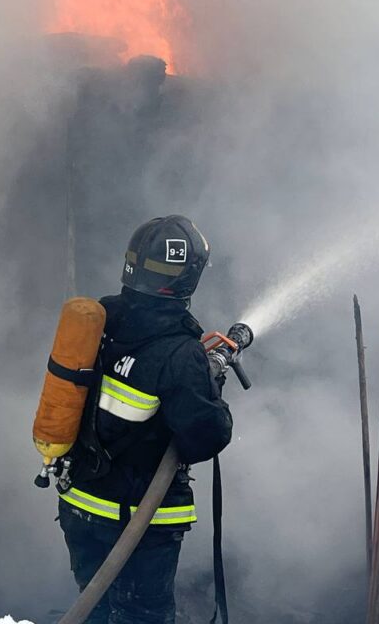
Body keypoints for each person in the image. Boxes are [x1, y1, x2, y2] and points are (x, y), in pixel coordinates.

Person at [58, 215, 233, 624]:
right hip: (137, 521)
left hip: (78, 505)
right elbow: (205, 437)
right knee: (142, 616)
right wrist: (211, 387)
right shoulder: (179, 353)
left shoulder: (102, 319)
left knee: (96, 608)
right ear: (189, 277)